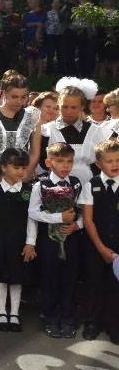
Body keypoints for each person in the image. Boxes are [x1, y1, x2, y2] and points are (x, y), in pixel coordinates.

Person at [29, 142, 85, 339]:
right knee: (50, 277)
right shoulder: (41, 184)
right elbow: (33, 212)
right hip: (49, 240)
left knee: (70, 278)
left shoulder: (76, 183)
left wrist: (76, 225)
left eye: (69, 161)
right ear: (48, 162)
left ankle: (68, 317)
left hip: (70, 238)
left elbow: (84, 211)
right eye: (60, 161)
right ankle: (50, 316)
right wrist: (58, 218)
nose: (65, 166)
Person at [0, 148, 35, 332]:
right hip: (2, 240)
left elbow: (32, 218)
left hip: (21, 241)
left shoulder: (30, 190)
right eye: (16, 167)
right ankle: (1, 312)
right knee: (2, 276)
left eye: (24, 168)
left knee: (17, 277)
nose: (21, 171)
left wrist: (31, 242)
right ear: (4, 168)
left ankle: (14, 312)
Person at [81, 139, 119, 343]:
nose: (114, 164)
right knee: (95, 284)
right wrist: (101, 248)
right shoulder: (91, 185)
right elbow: (88, 219)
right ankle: (93, 322)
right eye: (109, 160)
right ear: (98, 164)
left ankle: (113, 324)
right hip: (96, 246)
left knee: (115, 287)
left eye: (118, 160)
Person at [0, 74, 41, 180]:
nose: (19, 101)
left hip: (23, 176)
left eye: (24, 97)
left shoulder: (33, 116)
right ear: (4, 93)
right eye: (14, 96)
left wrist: (25, 175)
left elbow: (35, 152)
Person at [23, 0, 47, 78]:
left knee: (39, 56)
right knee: (29, 56)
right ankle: (30, 75)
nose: (30, 4)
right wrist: (36, 23)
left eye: (32, 2)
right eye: (29, 2)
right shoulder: (26, 14)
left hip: (39, 37)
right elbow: (25, 24)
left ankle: (40, 75)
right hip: (28, 37)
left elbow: (42, 23)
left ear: (37, 2)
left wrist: (37, 32)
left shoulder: (43, 13)